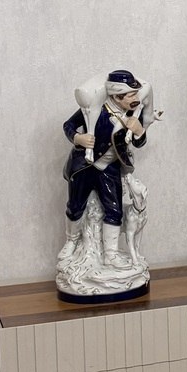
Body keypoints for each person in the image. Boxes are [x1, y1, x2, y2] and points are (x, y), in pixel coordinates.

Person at [60, 69, 151, 270]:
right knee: (75, 206)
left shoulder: (133, 114)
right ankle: (71, 241)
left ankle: (111, 254)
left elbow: (139, 142)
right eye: (130, 95)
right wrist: (78, 138)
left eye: (136, 94)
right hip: (85, 166)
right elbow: (68, 125)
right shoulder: (95, 110)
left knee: (114, 210)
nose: (135, 99)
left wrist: (139, 130)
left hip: (109, 169)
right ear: (117, 96)